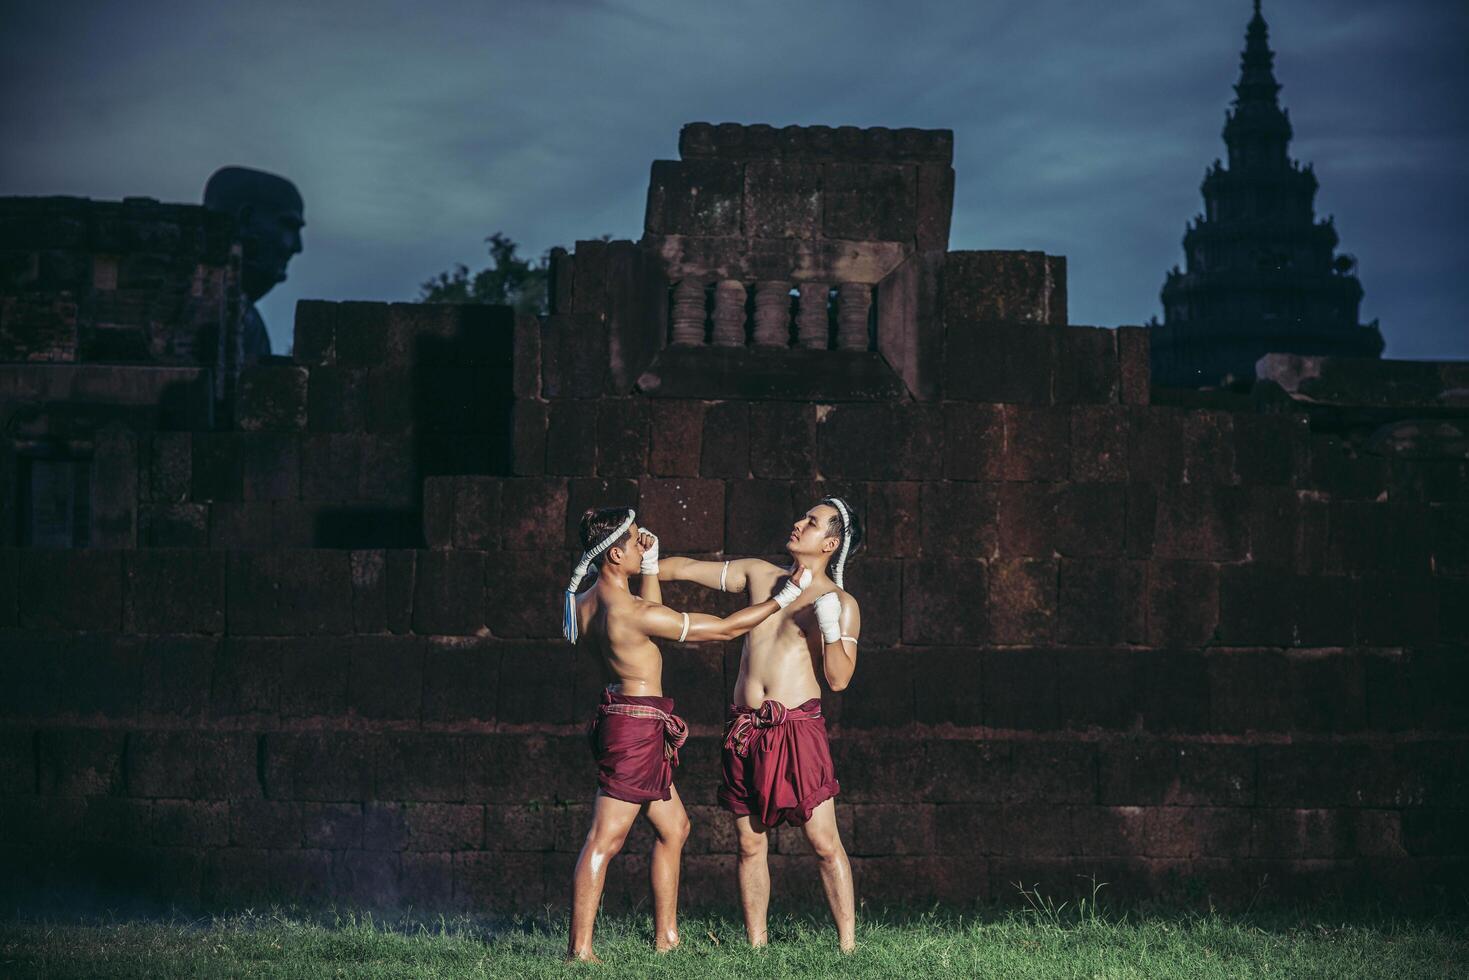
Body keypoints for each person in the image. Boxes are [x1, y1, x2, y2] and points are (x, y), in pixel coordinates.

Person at [564, 506, 820, 963]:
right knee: (605, 838)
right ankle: (579, 952)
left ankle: (667, 938)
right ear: (615, 552)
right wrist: (784, 598)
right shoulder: (630, 612)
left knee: (675, 827)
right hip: (636, 728)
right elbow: (723, 630)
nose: (644, 542)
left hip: (625, 718)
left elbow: (652, 612)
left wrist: (646, 567)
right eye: (637, 539)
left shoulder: (584, 600)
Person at [658, 497, 863, 952]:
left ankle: (848, 948)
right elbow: (689, 569)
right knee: (750, 843)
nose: (797, 523)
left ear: (830, 542)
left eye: (810, 523)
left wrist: (829, 628)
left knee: (824, 842)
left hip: (797, 730)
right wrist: (647, 560)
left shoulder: (840, 602)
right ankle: (757, 947)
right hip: (745, 728)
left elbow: (839, 679)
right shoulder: (759, 574)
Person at [202, 166, 305, 363]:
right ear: (246, 220)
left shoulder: (245, 321)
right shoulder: (216, 319)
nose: (297, 247)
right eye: (288, 226)